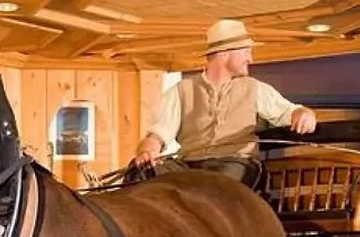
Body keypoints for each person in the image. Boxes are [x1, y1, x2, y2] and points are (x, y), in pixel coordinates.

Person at [131, 18, 317, 185]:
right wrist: (146, 152)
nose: (250, 59)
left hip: (236, 163)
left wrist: (304, 114)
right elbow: (157, 135)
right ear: (224, 54)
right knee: (139, 172)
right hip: (189, 166)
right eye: (246, 52)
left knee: (215, 184)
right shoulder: (181, 91)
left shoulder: (255, 89)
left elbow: (289, 112)